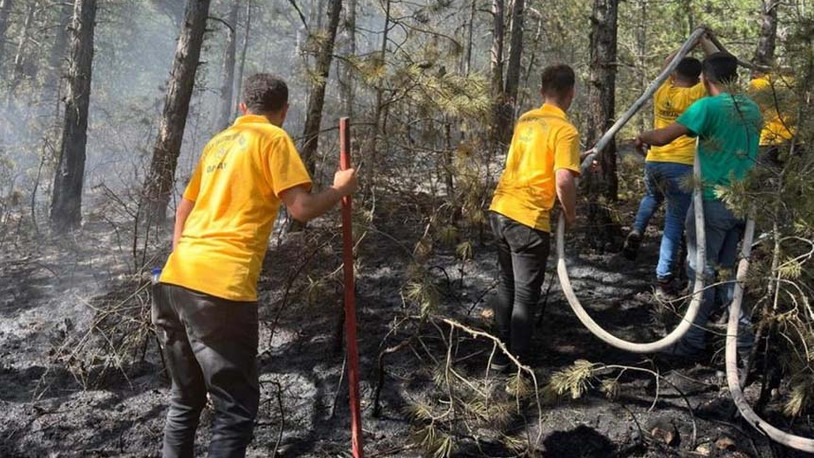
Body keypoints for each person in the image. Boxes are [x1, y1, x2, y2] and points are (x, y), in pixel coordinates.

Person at [152, 73, 358, 457]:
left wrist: (183, 261)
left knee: (185, 400)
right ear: (284, 111)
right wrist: (340, 189)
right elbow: (302, 208)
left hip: (171, 283)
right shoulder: (274, 138)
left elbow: (184, 208)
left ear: (242, 107)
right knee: (235, 410)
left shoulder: (218, 142)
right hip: (220, 291)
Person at [635, 52, 762, 359]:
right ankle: (743, 345)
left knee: (700, 274)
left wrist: (642, 136)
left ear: (706, 79)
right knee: (730, 275)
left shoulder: (708, 107)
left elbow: (664, 137)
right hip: (743, 205)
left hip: (711, 204)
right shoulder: (752, 108)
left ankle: (692, 344)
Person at [488, 64, 580, 371]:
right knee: (525, 296)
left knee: (506, 285)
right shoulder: (565, 130)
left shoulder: (527, 119)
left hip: (501, 209)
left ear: (542, 91)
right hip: (527, 220)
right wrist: (570, 212)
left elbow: (538, 161)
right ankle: (519, 360)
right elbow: (563, 180)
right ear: (571, 94)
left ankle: (502, 353)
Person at [623, 54, 705, 296]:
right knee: (673, 222)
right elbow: (718, 77)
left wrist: (686, 45)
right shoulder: (697, 94)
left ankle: (638, 228)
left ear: (673, 74)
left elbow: (666, 66)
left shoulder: (662, 90)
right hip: (682, 164)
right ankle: (664, 279)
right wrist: (703, 40)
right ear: (698, 77)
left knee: (651, 197)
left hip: (655, 160)